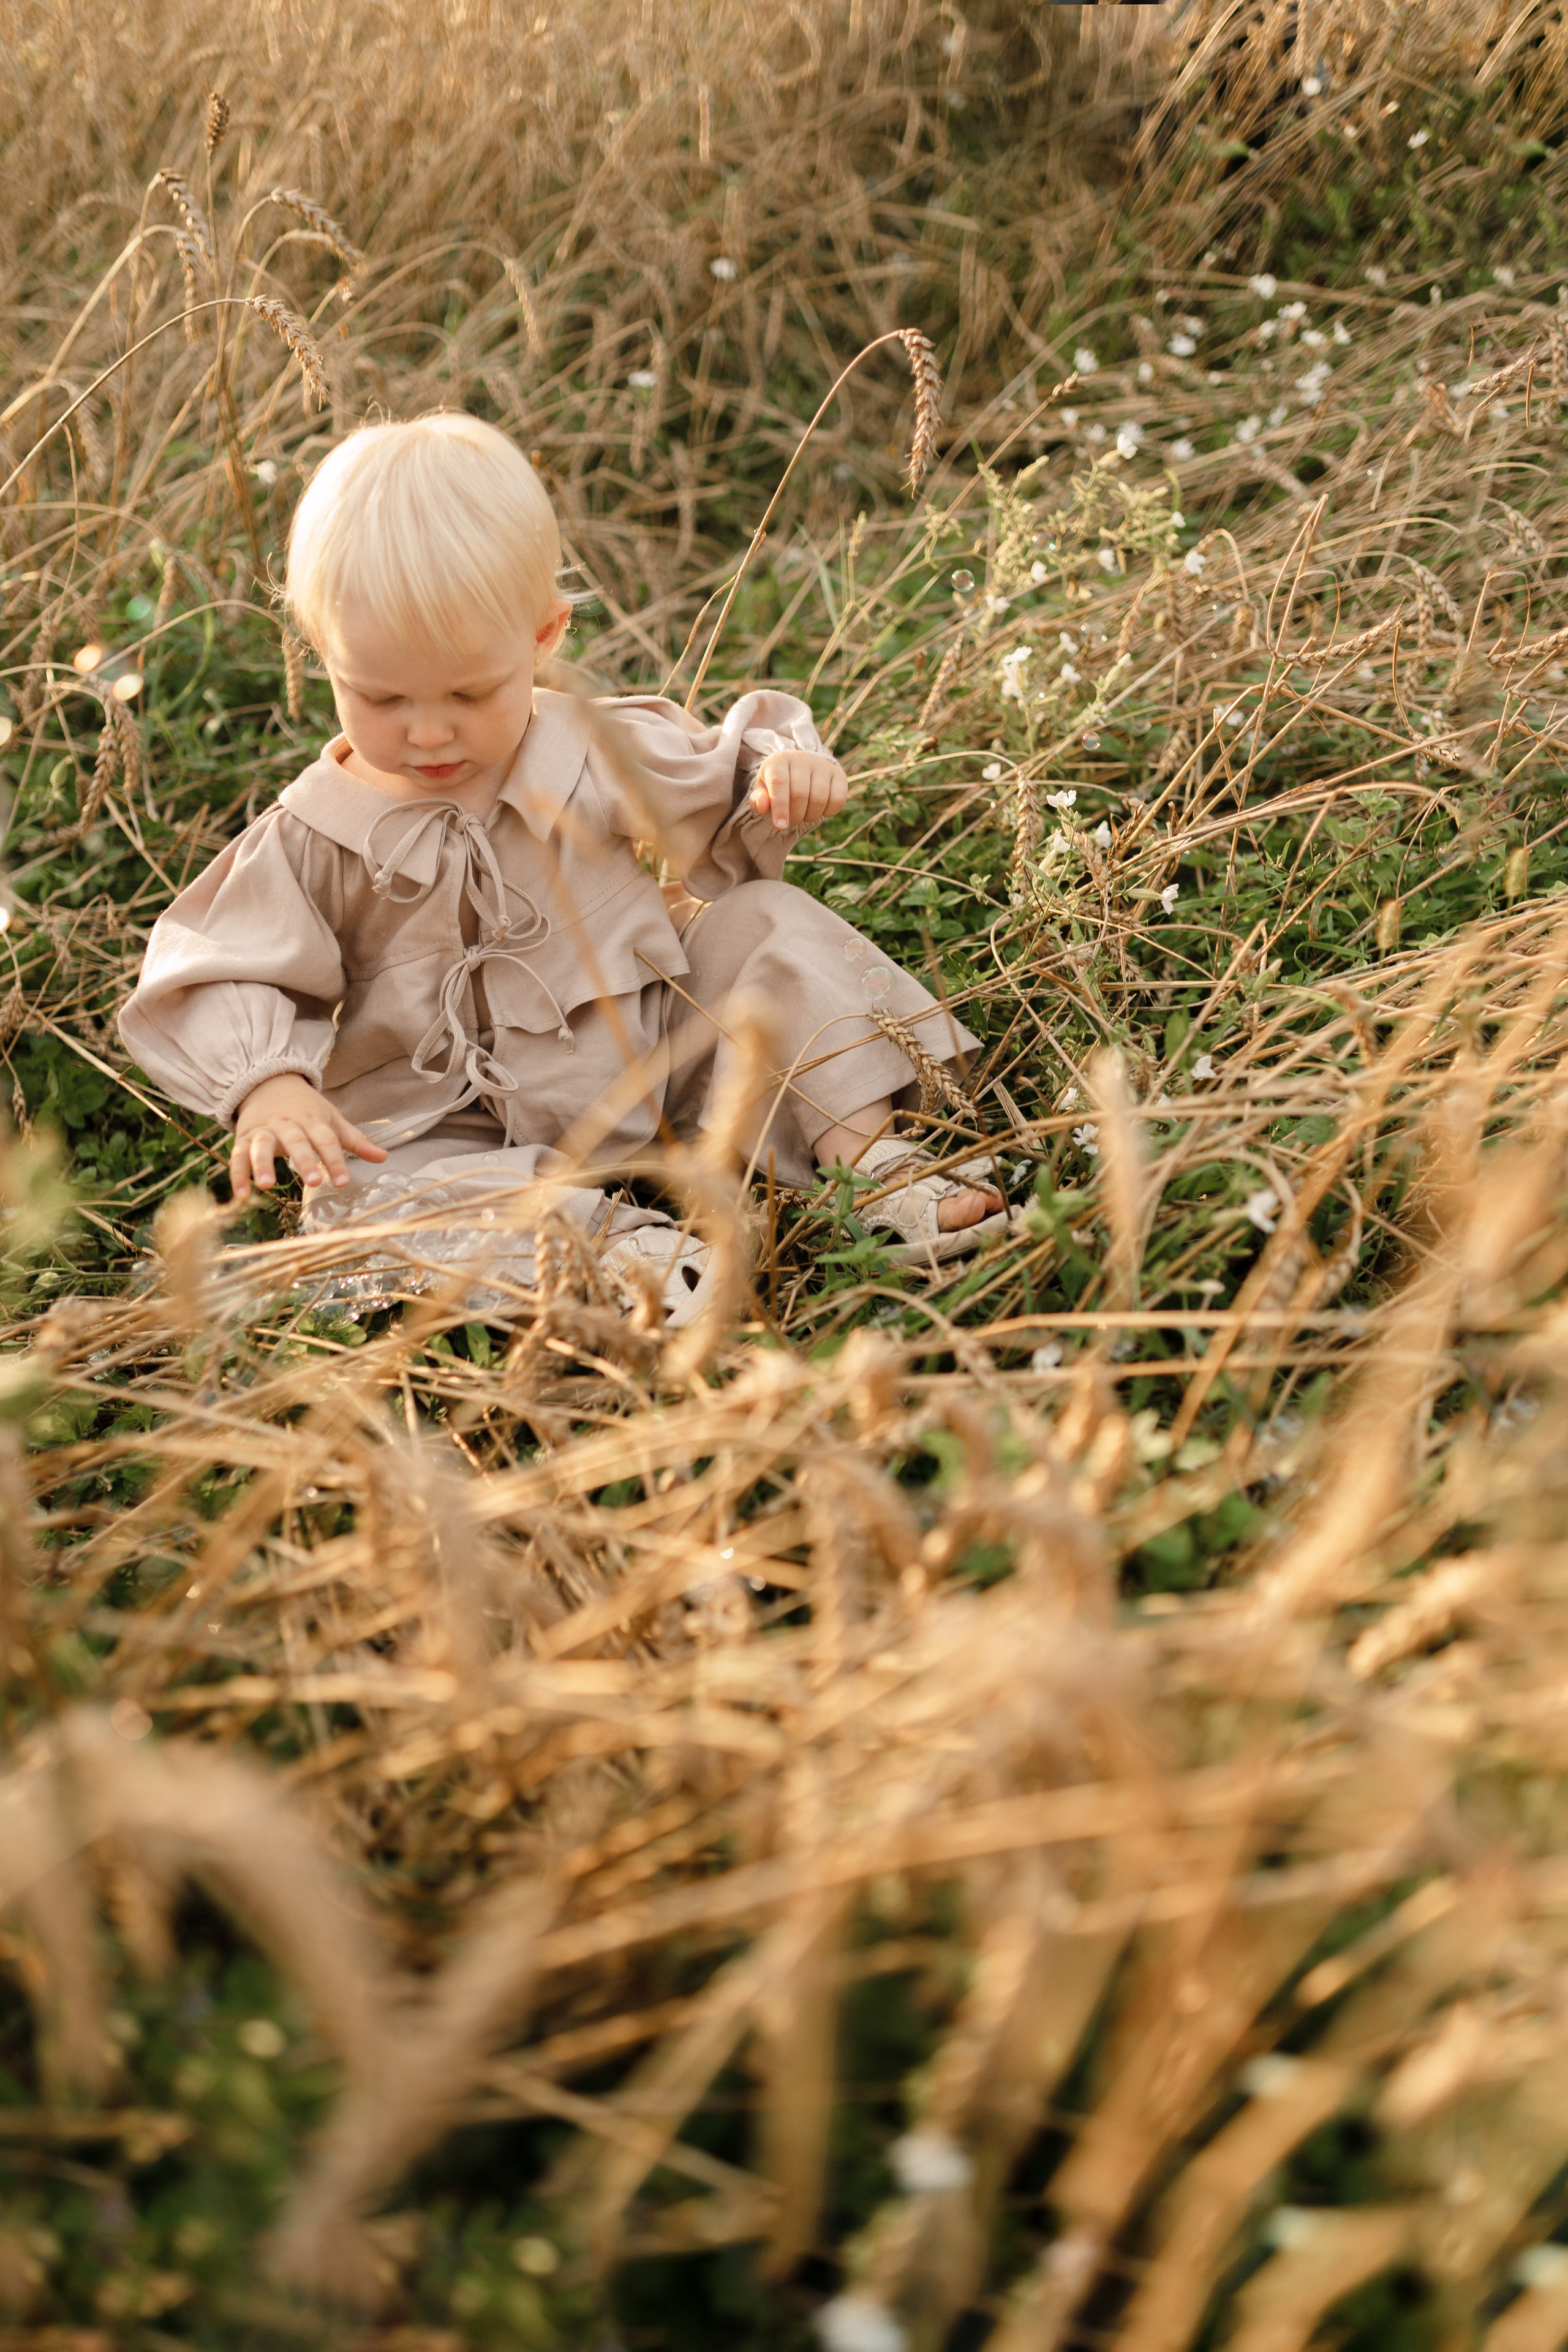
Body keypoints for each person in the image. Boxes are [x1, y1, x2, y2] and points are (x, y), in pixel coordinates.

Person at [119, 413, 1014, 1324]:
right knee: (360, 1196)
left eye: (471, 692)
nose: (428, 732)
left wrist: (779, 776)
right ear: (322, 656)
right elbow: (221, 958)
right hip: (442, 1129)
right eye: (380, 696)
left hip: (647, 1068)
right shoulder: (318, 833)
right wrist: (270, 1083)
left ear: (544, 636)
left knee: (767, 925)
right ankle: (606, 1248)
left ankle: (867, 1162)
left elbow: (718, 783)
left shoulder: (587, 748)